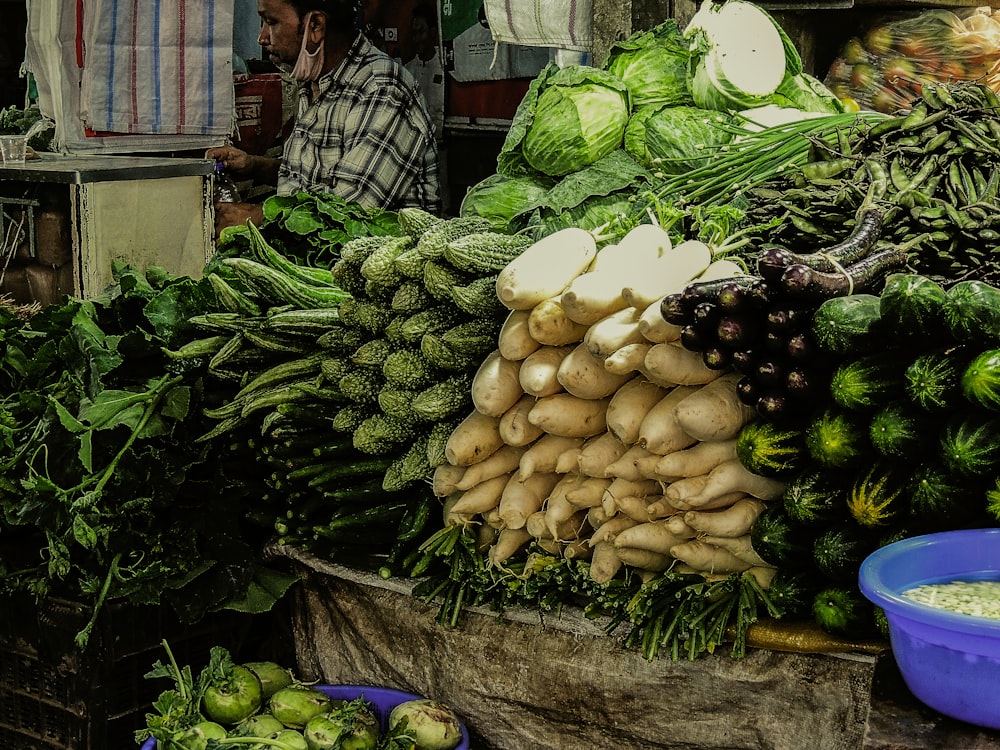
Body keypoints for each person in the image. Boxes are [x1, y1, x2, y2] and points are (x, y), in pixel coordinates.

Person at [207, 0, 440, 236]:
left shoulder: (383, 90)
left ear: (315, 26)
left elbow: (349, 213)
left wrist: (258, 217)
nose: (262, 38)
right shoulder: (316, 83)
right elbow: (313, 179)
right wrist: (255, 166)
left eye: (271, 22)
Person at [404, 4, 444, 142]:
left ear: (433, 32)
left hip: (442, 141)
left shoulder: (444, 65)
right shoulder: (407, 70)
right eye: (414, 34)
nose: (416, 39)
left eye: (421, 32)